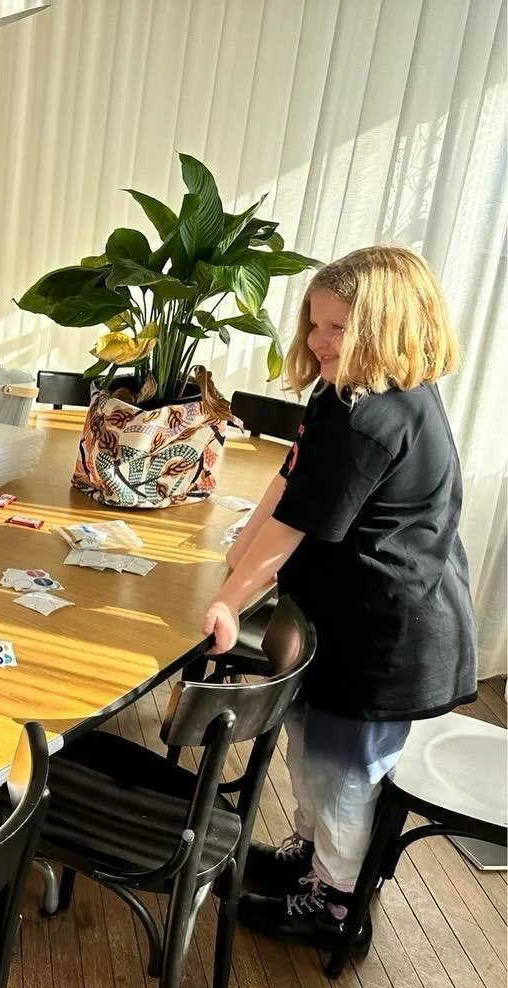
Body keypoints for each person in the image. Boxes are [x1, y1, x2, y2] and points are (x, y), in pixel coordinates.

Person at [200, 246, 476, 951]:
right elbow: (291, 478)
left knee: (345, 770)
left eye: (338, 328)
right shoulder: (344, 392)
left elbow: (292, 526)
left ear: (387, 329)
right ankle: (310, 854)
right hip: (350, 614)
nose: (320, 341)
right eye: (315, 325)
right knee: (315, 749)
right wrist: (239, 554)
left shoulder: (371, 418)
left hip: (384, 632)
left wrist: (232, 597)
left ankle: (335, 908)